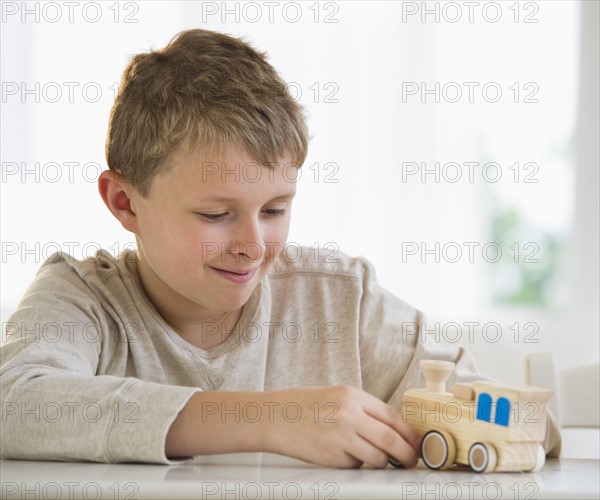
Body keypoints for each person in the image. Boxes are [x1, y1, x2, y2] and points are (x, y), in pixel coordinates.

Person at [0, 29, 560, 467]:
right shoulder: (82, 301)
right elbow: (15, 406)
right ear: (125, 201)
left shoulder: (341, 301)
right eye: (216, 215)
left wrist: (496, 428)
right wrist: (275, 419)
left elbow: (517, 421)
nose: (252, 246)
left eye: (275, 210)